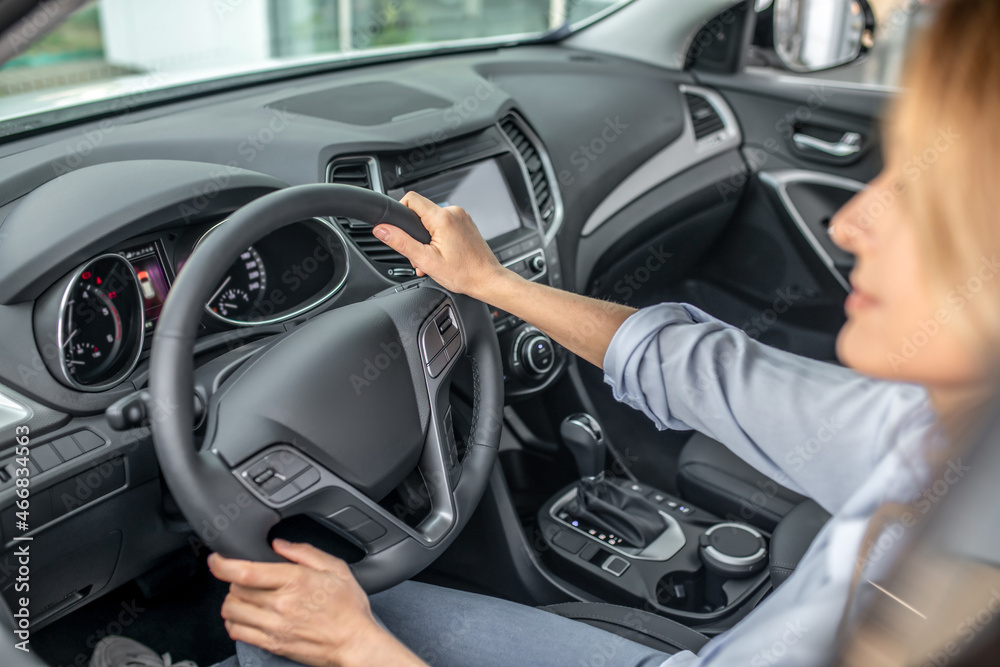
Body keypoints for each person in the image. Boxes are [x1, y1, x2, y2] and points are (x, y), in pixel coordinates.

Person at [90, 0, 1000, 665]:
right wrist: (490, 286)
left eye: (925, 193)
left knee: (289, 634)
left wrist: (360, 648)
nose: (852, 223)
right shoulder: (946, 435)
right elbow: (697, 366)